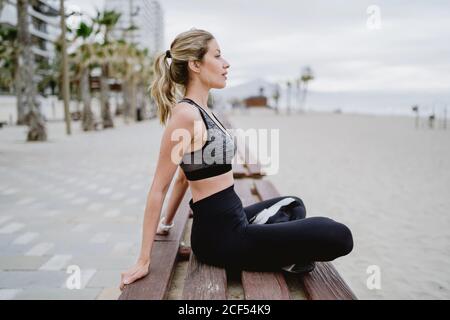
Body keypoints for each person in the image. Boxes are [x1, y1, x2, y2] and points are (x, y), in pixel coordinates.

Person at [119, 28, 353, 291]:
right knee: (339, 236)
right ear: (195, 65)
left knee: (292, 205)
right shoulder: (185, 115)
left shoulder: (205, 110)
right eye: (217, 56)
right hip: (220, 238)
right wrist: (143, 259)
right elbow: (158, 188)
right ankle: (278, 254)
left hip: (235, 217)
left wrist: (168, 222)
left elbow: (185, 176)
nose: (226, 63)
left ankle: (275, 251)